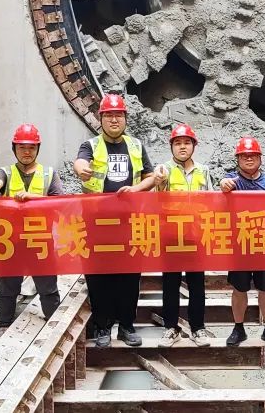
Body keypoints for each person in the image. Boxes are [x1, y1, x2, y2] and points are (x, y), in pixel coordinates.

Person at [73, 94, 163, 348]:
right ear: (101, 118)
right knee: (98, 276)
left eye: (119, 115)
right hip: (97, 224)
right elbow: (79, 162)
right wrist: (81, 170)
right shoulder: (91, 145)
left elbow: (150, 177)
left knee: (129, 277)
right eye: (109, 115)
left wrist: (136, 189)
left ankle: (126, 326)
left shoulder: (136, 146)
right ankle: (103, 327)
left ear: (125, 119)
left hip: (129, 223)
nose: (114, 120)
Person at [0, 124, 62, 330]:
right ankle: (4, 324)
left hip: (40, 240)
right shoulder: (4, 173)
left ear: (37, 149)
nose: (26, 152)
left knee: (48, 287)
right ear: (14, 148)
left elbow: (59, 204)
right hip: (10, 241)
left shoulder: (49, 174)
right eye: (21, 147)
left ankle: (53, 324)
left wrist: (33, 198)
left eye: (31, 147)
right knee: (8, 288)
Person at [221, 136, 265, 347]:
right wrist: (223, 185)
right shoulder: (231, 181)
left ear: (260, 158)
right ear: (237, 159)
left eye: (253, 155)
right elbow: (222, 189)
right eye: (244, 156)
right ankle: (238, 328)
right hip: (240, 244)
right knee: (239, 289)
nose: (249, 159)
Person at [156, 124, 213, 347]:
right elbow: (157, 199)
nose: (182, 147)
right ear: (171, 146)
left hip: (196, 236)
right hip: (172, 237)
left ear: (194, 146)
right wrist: (159, 182)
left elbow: (211, 201)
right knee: (170, 284)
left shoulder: (203, 171)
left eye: (187, 143)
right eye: (178, 143)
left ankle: (198, 328)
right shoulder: (164, 170)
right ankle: (171, 328)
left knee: (197, 284)